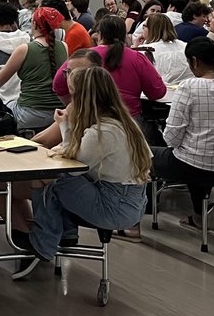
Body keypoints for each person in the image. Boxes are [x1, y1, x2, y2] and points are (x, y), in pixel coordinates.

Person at [17, 66, 153, 271]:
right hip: (133, 200)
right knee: (54, 180)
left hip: (113, 205)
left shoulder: (101, 132)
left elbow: (72, 165)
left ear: (81, 98)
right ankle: (62, 234)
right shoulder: (125, 123)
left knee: (52, 179)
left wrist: (64, 125)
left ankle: (43, 242)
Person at [152, 38, 214, 228]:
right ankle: (197, 216)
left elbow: (171, 139)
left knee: (143, 154)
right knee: (196, 156)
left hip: (193, 165)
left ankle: (135, 221)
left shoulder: (189, 87)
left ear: (194, 61)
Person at [68, 15, 166, 121]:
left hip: (92, 118)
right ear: (125, 35)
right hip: (129, 121)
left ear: (100, 35)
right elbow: (157, 92)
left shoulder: (84, 56)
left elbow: (58, 85)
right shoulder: (137, 58)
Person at [0, 6, 67, 132]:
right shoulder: (64, 47)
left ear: (34, 24)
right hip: (58, 112)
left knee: (6, 105)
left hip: (29, 114)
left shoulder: (24, 49)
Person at [140, 13, 190, 85]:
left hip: (160, 91)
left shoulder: (145, 50)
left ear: (151, 29)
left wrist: (136, 47)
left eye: (144, 26)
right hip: (186, 88)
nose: (142, 29)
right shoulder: (185, 46)